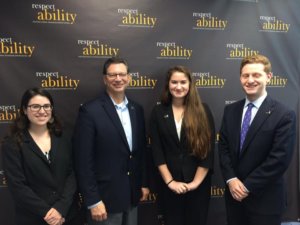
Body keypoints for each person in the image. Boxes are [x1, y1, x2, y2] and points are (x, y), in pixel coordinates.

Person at [218, 54, 296, 225]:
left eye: (256, 75)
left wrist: (246, 187)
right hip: (234, 200)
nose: (250, 80)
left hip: (265, 202)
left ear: (268, 77)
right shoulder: (230, 110)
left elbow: (279, 159)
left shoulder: (284, 114)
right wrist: (231, 180)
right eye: (245, 75)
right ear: (240, 78)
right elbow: (223, 147)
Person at [73, 57, 149, 225]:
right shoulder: (89, 111)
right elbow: (83, 161)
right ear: (105, 79)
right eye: (112, 75)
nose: (118, 79)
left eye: (122, 74)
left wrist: (143, 183)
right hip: (104, 201)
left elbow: (141, 151)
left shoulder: (137, 109)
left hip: (131, 196)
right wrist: (93, 200)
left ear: (129, 77)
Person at [1, 88, 82, 225]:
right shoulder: (12, 144)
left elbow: (72, 174)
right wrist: (48, 213)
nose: (42, 111)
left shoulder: (63, 137)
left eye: (46, 106)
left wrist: (60, 209)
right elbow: (18, 186)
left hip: (68, 215)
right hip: (34, 218)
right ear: (25, 110)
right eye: (35, 106)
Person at [150, 66, 215, 225]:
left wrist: (194, 184)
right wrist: (171, 182)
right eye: (174, 82)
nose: (178, 87)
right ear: (168, 85)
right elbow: (157, 151)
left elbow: (208, 151)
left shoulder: (203, 110)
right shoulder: (158, 111)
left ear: (190, 84)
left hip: (198, 185)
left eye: (183, 82)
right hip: (170, 186)